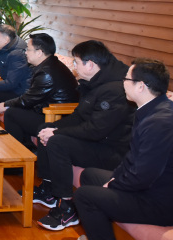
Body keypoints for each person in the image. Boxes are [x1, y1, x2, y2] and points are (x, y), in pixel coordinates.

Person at [33, 40, 135, 231]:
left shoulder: (115, 90)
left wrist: (57, 132)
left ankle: (66, 208)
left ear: (90, 65)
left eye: (76, 62)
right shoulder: (95, 81)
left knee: (57, 142)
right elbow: (79, 116)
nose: (74, 66)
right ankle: (48, 190)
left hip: (113, 151)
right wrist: (52, 128)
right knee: (45, 128)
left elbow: (96, 130)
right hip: (99, 141)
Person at [74, 59, 173, 240]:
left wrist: (113, 185)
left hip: (160, 201)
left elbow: (144, 175)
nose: (123, 83)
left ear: (140, 86)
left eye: (126, 79)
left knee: (84, 196)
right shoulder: (152, 109)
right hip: (148, 187)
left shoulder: (160, 123)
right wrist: (115, 179)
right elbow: (132, 158)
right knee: (89, 175)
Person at [0, 33, 78, 150]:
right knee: (15, 110)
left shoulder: (46, 72)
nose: (25, 52)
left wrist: (6, 104)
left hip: (55, 117)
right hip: (47, 111)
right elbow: (32, 96)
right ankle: (26, 150)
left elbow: (28, 100)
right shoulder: (50, 64)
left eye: (28, 49)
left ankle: (17, 154)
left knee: (11, 113)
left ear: (39, 53)